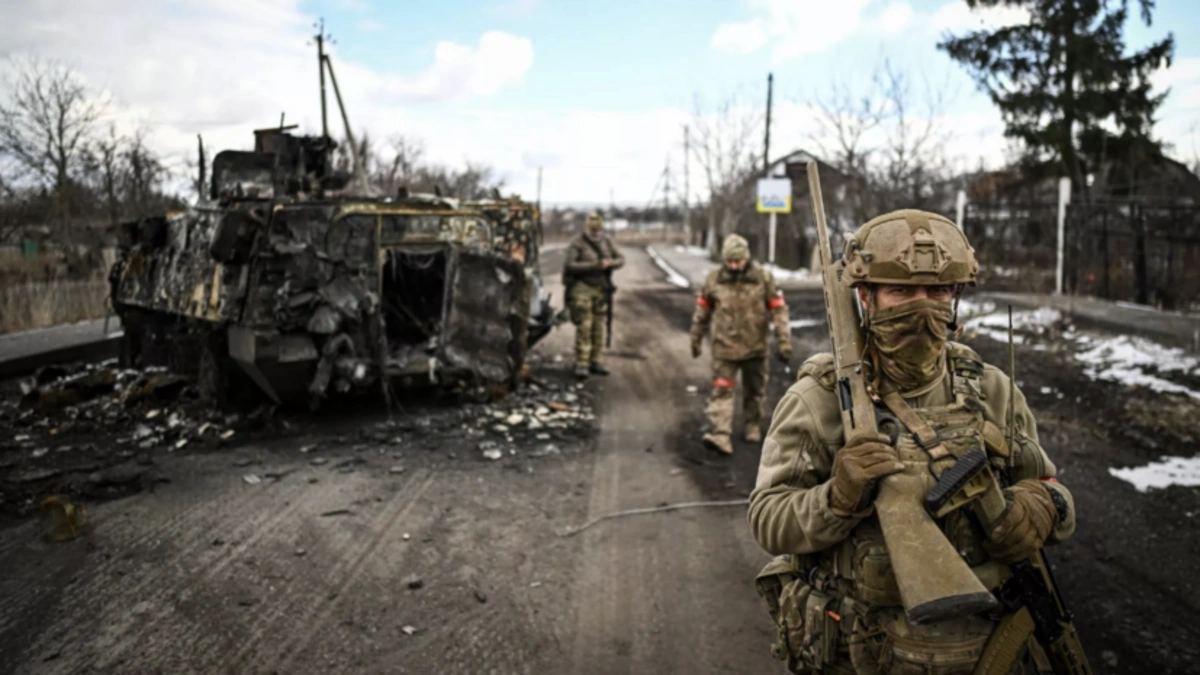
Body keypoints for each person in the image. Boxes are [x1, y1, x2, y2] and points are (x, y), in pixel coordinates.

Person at [748, 210, 1076, 674]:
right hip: (860, 649)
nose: (923, 308)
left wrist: (1043, 504)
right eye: (901, 291)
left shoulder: (992, 389)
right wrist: (836, 499)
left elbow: (1053, 490)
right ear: (866, 297)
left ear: (956, 297)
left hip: (985, 650)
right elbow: (768, 520)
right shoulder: (818, 400)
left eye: (938, 291)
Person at [690, 233, 792, 455]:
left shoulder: (763, 278)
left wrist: (784, 341)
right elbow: (702, 312)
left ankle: (752, 425)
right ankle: (721, 434)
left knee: (754, 391)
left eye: (738, 261)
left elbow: (778, 310)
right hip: (724, 348)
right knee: (722, 392)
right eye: (729, 261)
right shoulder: (713, 280)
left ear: (747, 258)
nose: (734, 266)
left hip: (755, 347)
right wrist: (695, 338)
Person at [563, 211, 624, 379]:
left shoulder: (607, 241)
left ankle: (596, 360)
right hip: (582, 287)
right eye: (593, 230)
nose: (596, 233)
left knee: (599, 326)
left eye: (598, 230)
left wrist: (610, 263)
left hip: (601, 289)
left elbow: (621, 259)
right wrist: (594, 265)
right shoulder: (578, 243)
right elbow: (570, 265)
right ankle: (581, 363)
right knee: (585, 326)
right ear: (587, 228)